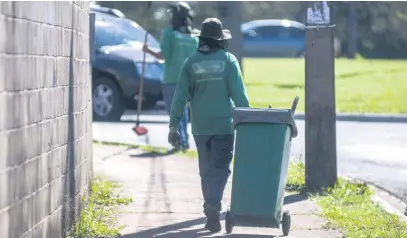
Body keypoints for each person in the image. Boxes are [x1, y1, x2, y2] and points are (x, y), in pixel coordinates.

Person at [168, 18, 250, 233]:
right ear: (221, 41)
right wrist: (248, 120)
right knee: (220, 169)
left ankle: (209, 208)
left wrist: (173, 126)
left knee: (206, 171)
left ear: (202, 39)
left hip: (200, 127)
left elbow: (179, 97)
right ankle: (213, 205)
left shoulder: (190, 62)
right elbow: (239, 96)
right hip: (224, 127)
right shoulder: (229, 61)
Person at [142, 2, 198, 150]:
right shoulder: (194, 36)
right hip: (189, 80)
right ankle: (184, 141)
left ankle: (180, 142)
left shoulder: (169, 33)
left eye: (172, 14)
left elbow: (163, 56)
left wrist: (148, 50)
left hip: (172, 79)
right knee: (183, 110)